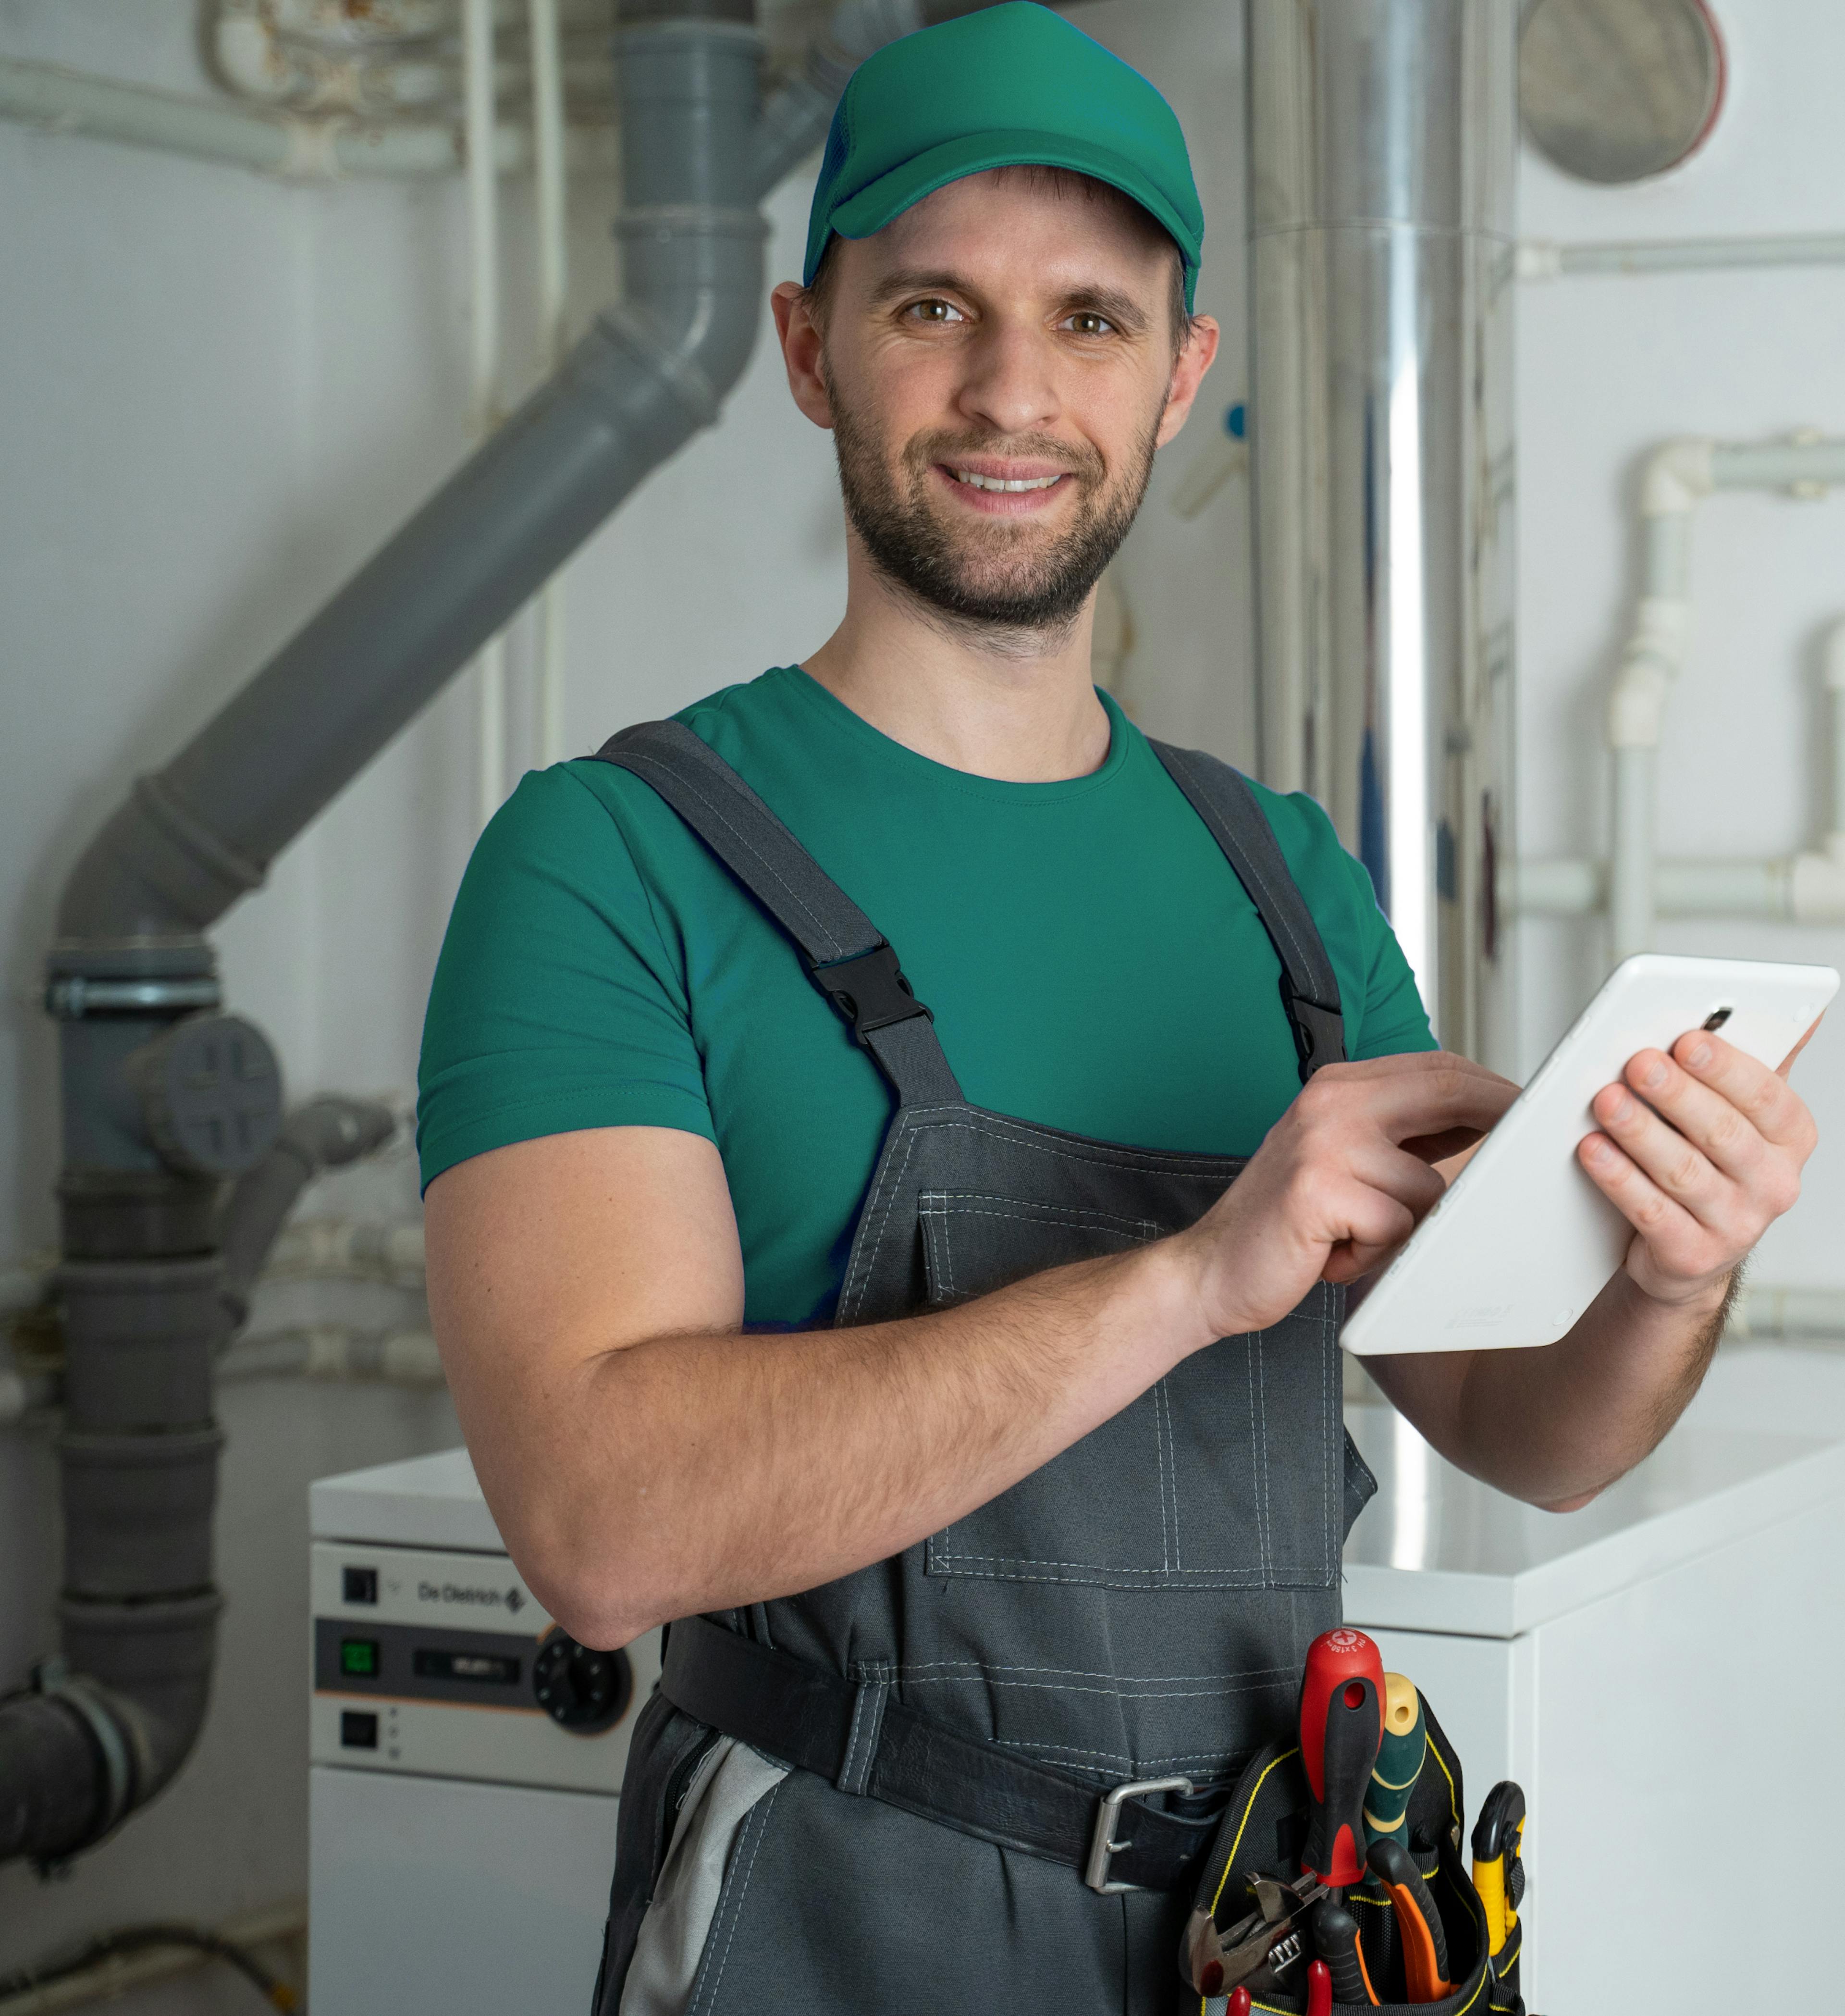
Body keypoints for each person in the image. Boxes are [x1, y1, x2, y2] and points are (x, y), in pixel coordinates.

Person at [417, 8, 1819, 2010]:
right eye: (933, 307)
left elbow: (1527, 1424)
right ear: (811, 344)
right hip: (842, 1914)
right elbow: (601, 1520)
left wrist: (1675, 1272)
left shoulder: (1287, 883)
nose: (1013, 389)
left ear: (1182, 376)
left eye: (1090, 318)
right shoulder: (612, 858)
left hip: (1276, 1919)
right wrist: (1192, 1277)